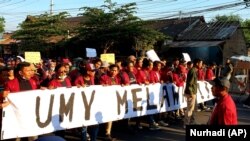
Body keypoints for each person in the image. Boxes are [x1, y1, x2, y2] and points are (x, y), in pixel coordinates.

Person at [184, 58, 203, 128]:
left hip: (193, 92)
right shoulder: (192, 71)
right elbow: (189, 83)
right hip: (190, 93)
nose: (202, 65)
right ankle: (186, 123)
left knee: (194, 108)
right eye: (201, 63)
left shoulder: (195, 71)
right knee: (190, 108)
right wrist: (191, 93)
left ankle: (192, 121)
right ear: (197, 63)